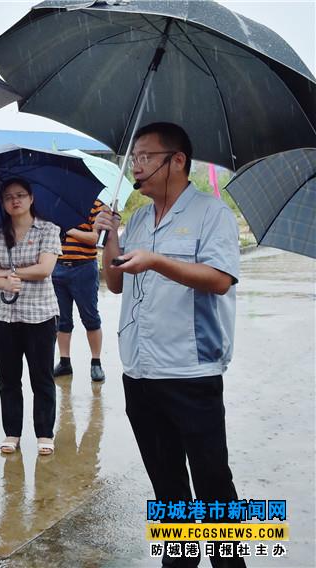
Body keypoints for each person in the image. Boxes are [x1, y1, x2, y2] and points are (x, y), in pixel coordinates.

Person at [94, 122, 244, 567]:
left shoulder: (210, 213)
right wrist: (112, 236)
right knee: (165, 480)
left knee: (213, 481)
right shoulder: (138, 217)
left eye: (145, 157)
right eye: (134, 157)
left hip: (190, 371)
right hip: (140, 371)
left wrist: (158, 261)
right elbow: (116, 283)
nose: (135, 166)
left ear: (177, 161)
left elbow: (219, 279)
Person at [0, 178, 61, 456]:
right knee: (8, 378)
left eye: (20, 195)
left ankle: (44, 433)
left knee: (41, 377)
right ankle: (12, 432)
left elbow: (44, 269)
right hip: (2, 316)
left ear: (31, 198)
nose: (14, 201)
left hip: (40, 314)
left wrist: (8, 273)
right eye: (8, 197)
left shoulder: (48, 230)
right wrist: (2, 281)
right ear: (3, 203)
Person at [51, 198, 109, 382]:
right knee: (62, 320)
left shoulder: (97, 206)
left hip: (84, 268)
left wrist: (69, 229)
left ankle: (96, 363)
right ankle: (65, 362)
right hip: (58, 267)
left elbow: (95, 239)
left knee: (90, 317)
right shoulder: (57, 202)